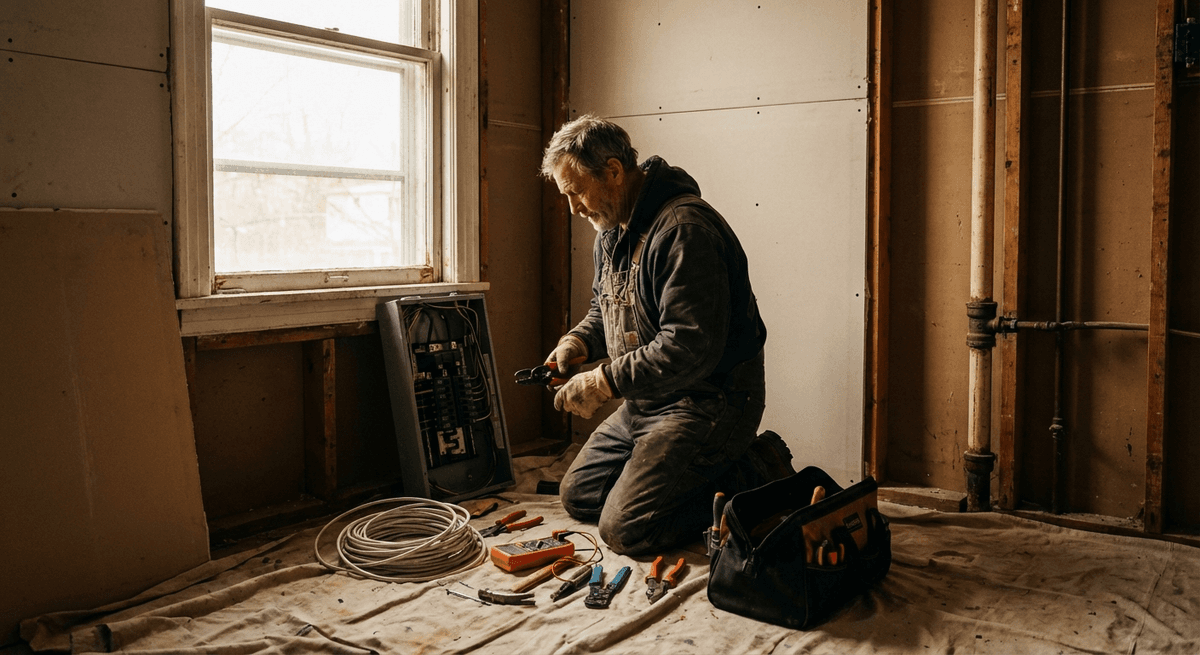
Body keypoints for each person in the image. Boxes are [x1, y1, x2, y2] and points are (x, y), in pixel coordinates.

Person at [540, 114, 795, 556]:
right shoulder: (611, 231)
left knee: (625, 531)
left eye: (577, 192)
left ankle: (757, 468)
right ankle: (675, 479)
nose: (574, 209)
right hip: (648, 399)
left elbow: (689, 345)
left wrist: (603, 382)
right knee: (579, 496)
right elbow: (606, 307)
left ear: (614, 172)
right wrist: (576, 342)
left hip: (709, 402)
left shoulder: (683, 231)